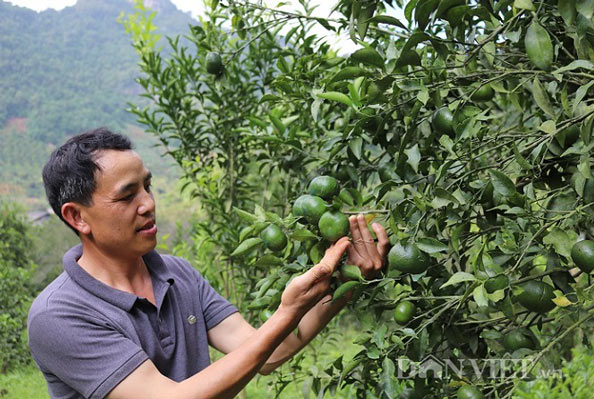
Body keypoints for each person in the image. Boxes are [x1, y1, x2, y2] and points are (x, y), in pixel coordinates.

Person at [28, 128, 390, 399]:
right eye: (127, 195)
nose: (148, 204)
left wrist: (345, 283)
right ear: (77, 217)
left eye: (147, 187)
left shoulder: (176, 274)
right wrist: (286, 310)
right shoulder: (59, 315)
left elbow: (269, 351)